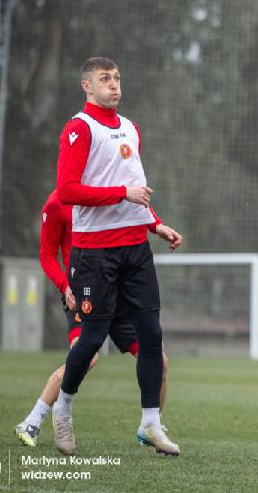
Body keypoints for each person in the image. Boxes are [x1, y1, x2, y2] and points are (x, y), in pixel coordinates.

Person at [50, 57, 183, 457]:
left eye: (118, 78)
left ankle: (151, 423)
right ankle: (62, 409)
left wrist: (155, 224)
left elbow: (134, 187)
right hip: (94, 253)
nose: (114, 85)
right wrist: (122, 194)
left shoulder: (130, 128)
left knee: (152, 335)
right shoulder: (79, 128)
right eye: (105, 79)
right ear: (87, 86)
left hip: (135, 249)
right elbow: (67, 191)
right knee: (91, 339)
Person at [14, 189, 176, 449]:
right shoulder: (57, 203)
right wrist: (65, 286)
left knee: (160, 360)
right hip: (84, 293)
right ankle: (32, 421)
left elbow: (136, 209)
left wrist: (156, 225)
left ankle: (150, 426)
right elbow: (47, 254)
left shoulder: (111, 191)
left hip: (119, 297)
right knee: (87, 356)